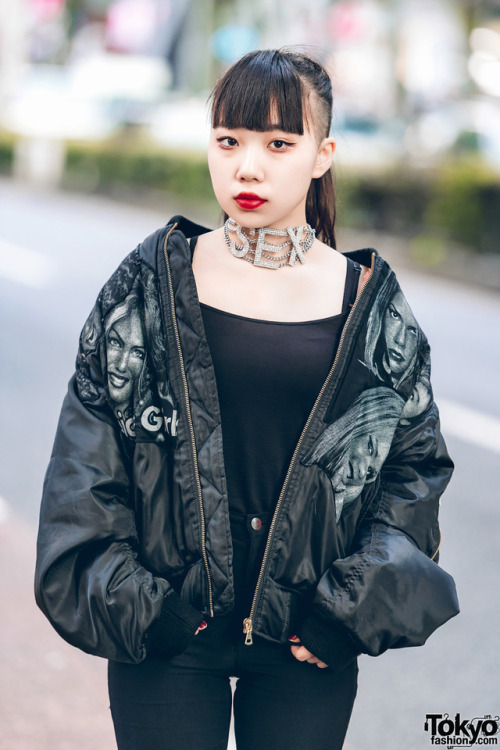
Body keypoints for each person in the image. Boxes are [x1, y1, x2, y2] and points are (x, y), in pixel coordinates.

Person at [35, 48, 459, 750]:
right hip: (168, 635)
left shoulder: (367, 304)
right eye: (229, 140)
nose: (248, 166)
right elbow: (87, 466)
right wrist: (145, 609)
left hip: (309, 637)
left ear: (322, 155)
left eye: (278, 143)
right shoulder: (148, 285)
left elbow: (412, 473)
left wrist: (342, 616)